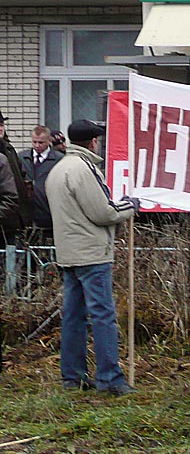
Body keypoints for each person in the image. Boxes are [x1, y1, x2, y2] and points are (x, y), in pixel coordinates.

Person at [46, 120, 139, 395]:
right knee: (103, 316)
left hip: (68, 253)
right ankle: (110, 378)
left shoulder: (58, 168)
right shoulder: (84, 169)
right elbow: (104, 213)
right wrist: (130, 206)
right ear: (93, 142)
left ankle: (72, 376)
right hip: (92, 254)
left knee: (74, 316)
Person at [20, 124, 63, 235]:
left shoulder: (59, 159)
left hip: (49, 213)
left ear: (49, 141)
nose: (37, 145)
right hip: (27, 213)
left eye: (41, 142)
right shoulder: (22, 157)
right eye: (34, 142)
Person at [0, 110, 31, 245]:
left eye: (1, 124)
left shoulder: (9, 149)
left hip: (14, 221)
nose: (0, 128)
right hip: (4, 220)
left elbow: (19, 178)